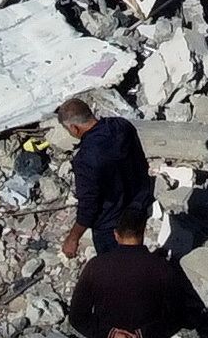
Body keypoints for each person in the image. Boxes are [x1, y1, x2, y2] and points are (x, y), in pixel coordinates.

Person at [67, 212, 206, 338]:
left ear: (116, 234)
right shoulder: (162, 267)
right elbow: (177, 315)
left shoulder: (96, 266)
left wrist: (111, 335)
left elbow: (76, 317)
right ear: (143, 233)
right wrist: (142, 336)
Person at [58, 96, 145, 260]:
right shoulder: (122, 126)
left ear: (75, 128)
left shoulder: (85, 160)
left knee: (114, 268)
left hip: (110, 224)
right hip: (137, 210)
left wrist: (73, 238)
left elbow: (89, 205)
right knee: (135, 257)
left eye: (68, 130)